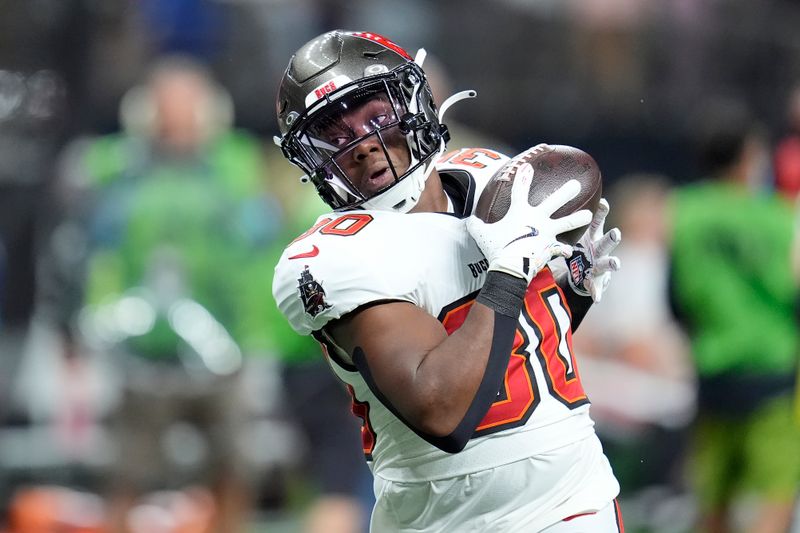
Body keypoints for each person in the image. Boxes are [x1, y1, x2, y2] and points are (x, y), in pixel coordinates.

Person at [272, 30, 623, 532]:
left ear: (416, 103)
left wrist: (570, 292)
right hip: (438, 519)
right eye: (335, 134)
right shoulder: (329, 257)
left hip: (571, 502)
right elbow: (443, 410)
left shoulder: (494, 178)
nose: (364, 145)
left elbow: (518, 355)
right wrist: (510, 270)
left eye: (375, 116)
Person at [43, 55, 269, 533]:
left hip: (222, 348)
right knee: (126, 476)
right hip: (142, 353)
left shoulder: (238, 168)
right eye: (169, 102)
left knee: (233, 472)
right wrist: (73, 329)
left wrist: (255, 336)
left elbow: (260, 252)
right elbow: (76, 250)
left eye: (188, 102)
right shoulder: (115, 171)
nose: (178, 114)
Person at [669, 100, 800, 533]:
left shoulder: (684, 212)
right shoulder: (781, 219)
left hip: (712, 371)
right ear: (747, 157)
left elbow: (675, 299)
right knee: (776, 494)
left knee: (713, 500)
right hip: (774, 373)